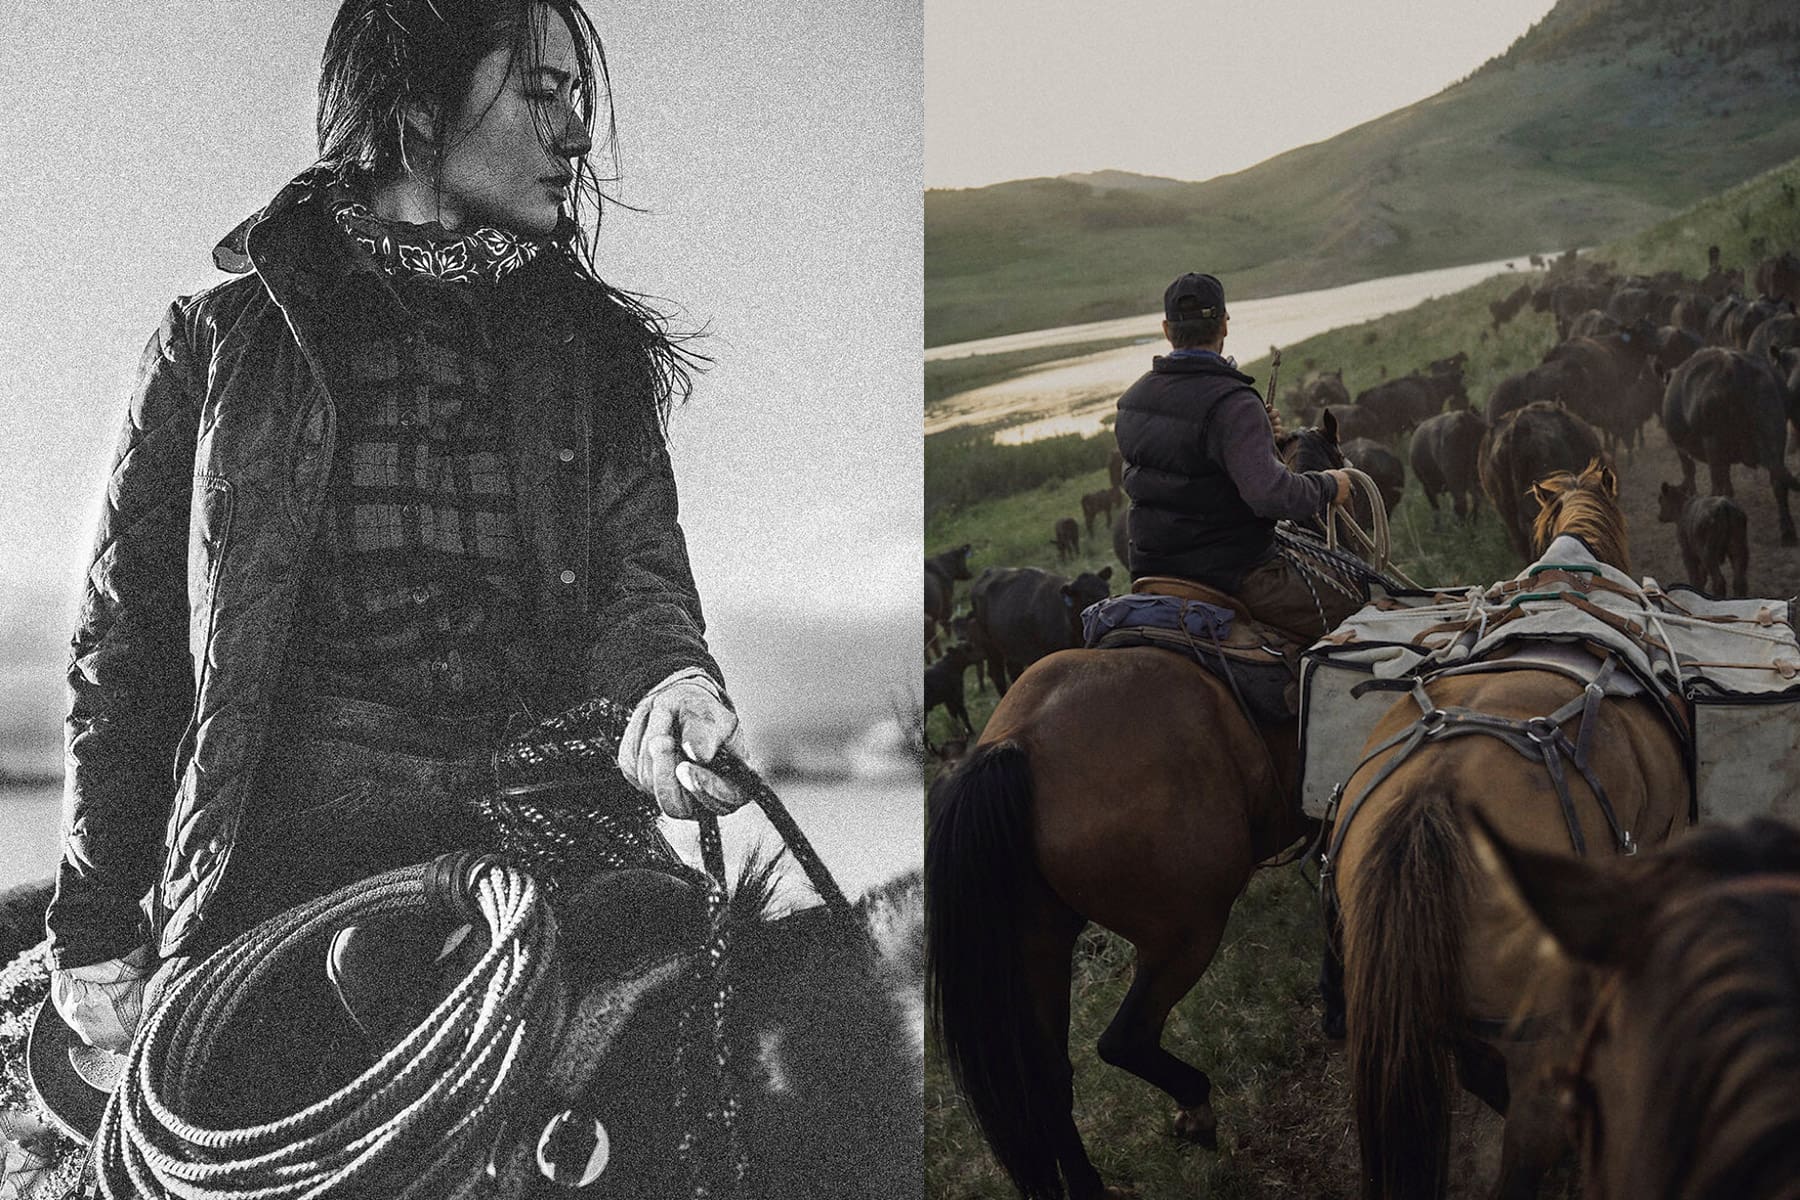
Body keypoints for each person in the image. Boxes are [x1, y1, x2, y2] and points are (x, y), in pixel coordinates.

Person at [45, 0, 747, 1057]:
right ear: (416, 112)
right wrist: (96, 923)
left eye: (575, 98)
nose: (576, 134)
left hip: (550, 824)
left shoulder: (589, 354)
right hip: (286, 860)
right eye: (540, 94)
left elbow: (637, 577)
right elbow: (127, 645)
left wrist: (673, 688)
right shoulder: (223, 341)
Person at [1115, 271, 1364, 642]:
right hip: (1231, 573)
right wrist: (1330, 484)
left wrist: (1256, 438)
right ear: (1224, 326)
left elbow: (1177, 466)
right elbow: (1271, 497)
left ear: (1167, 330)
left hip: (1154, 572)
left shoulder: (1132, 401)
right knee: (1356, 605)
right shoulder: (1232, 401)